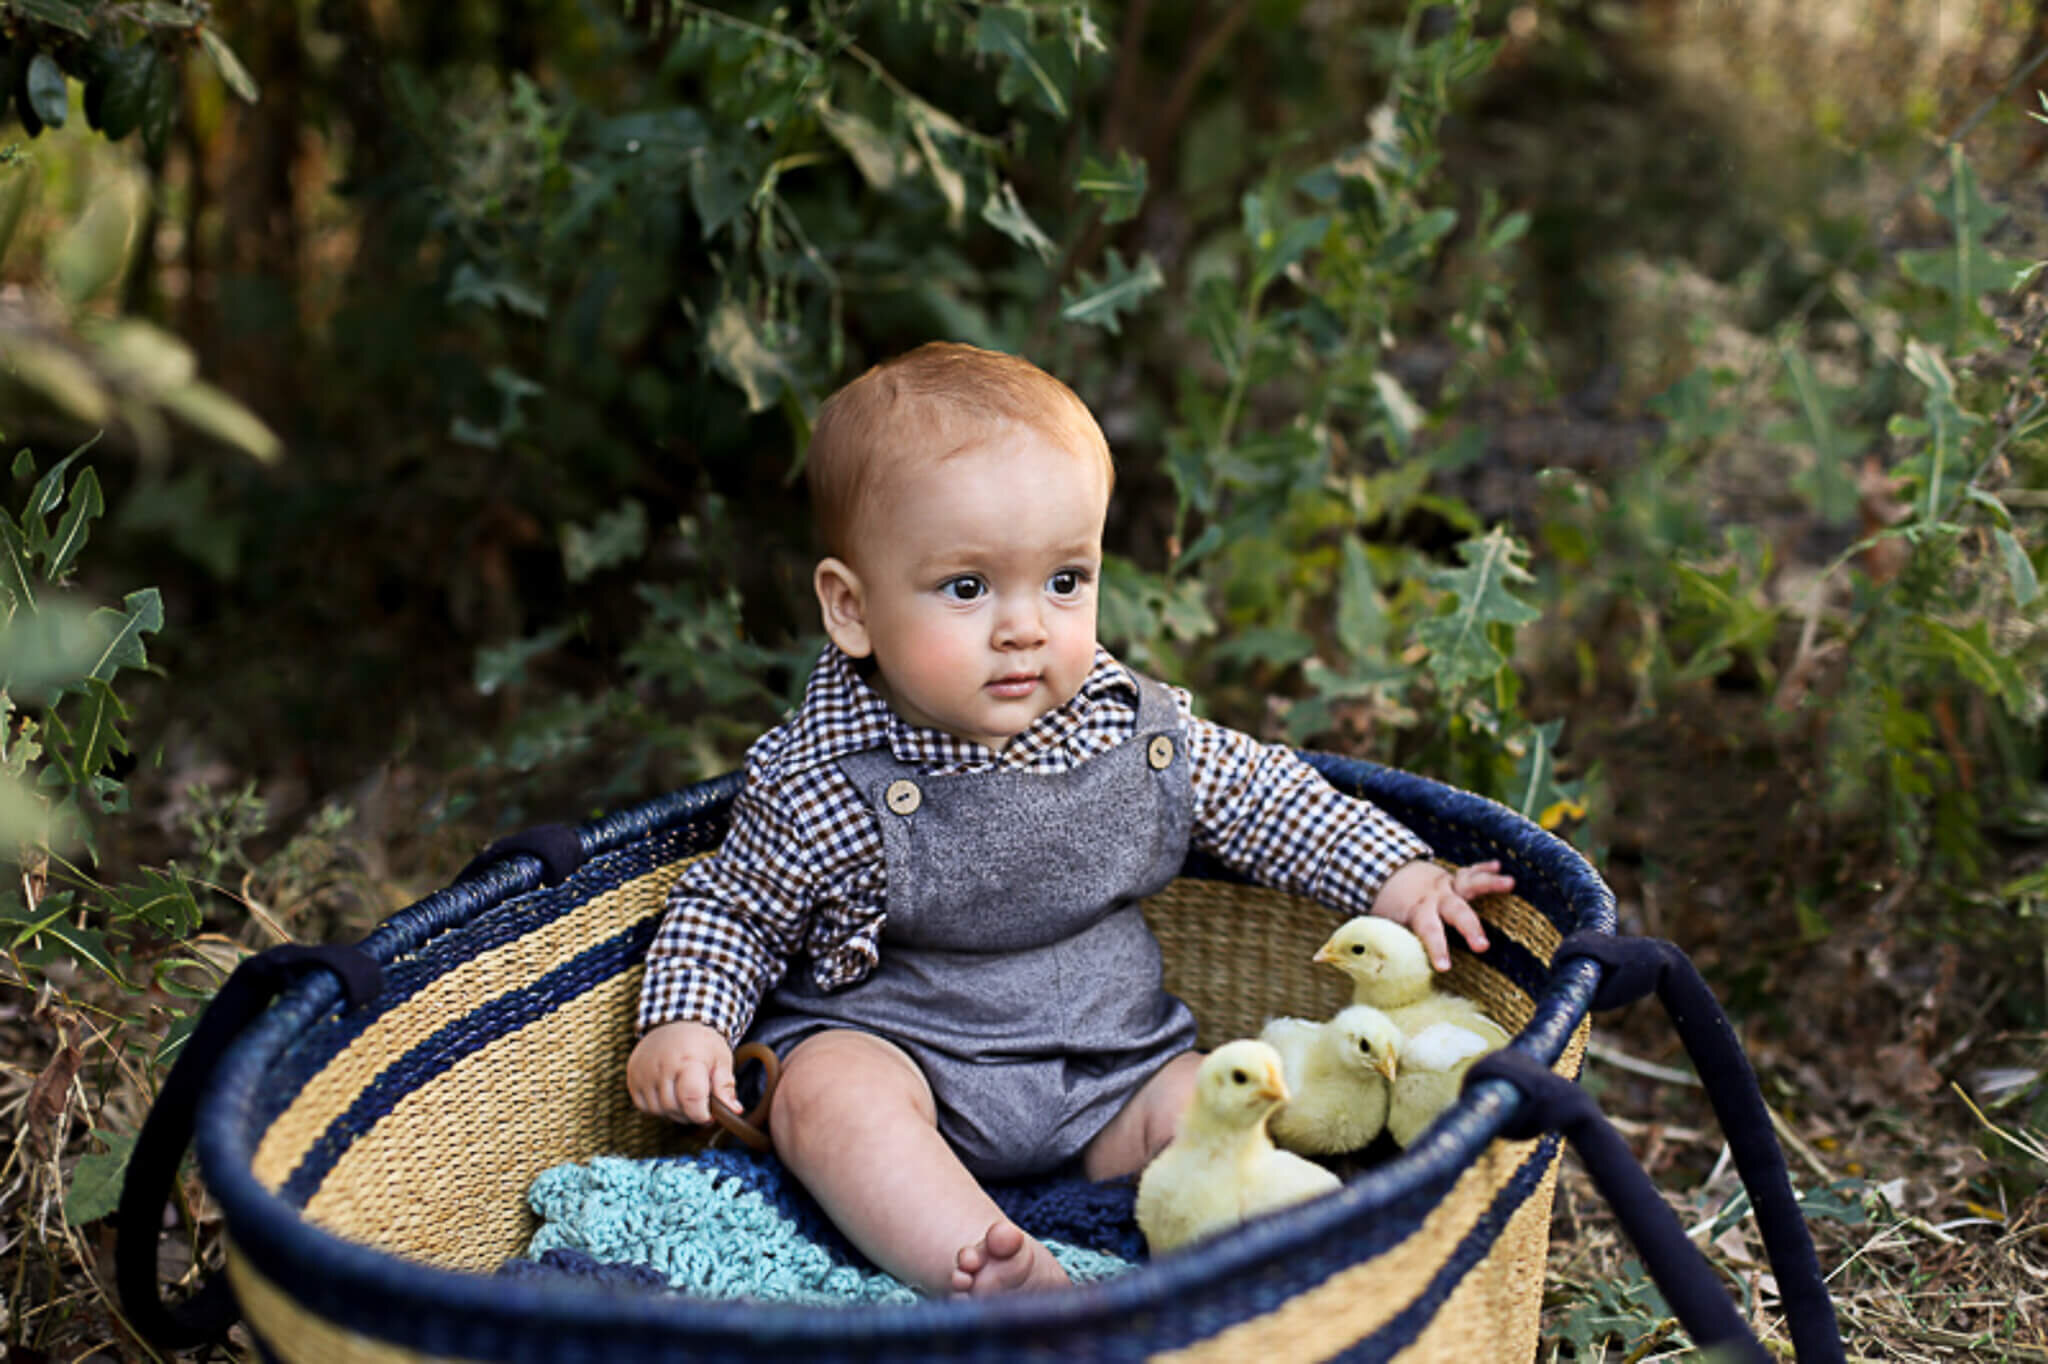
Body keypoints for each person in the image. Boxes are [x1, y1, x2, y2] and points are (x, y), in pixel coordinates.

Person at [626, 341, 1514, 1298]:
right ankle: (992, 1273)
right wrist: (687, 1021)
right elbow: (734, 910)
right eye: (966, 588)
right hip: (909, 1059)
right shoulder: (825, 779)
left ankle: (1293, 1256)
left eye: (1064, 581)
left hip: (1111, 1072)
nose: (1025, 627)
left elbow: (1269, 798)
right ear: (851, 609)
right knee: (829, 1099)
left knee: (1212, 1105)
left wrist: (1397, 876)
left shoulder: (1131, 732)